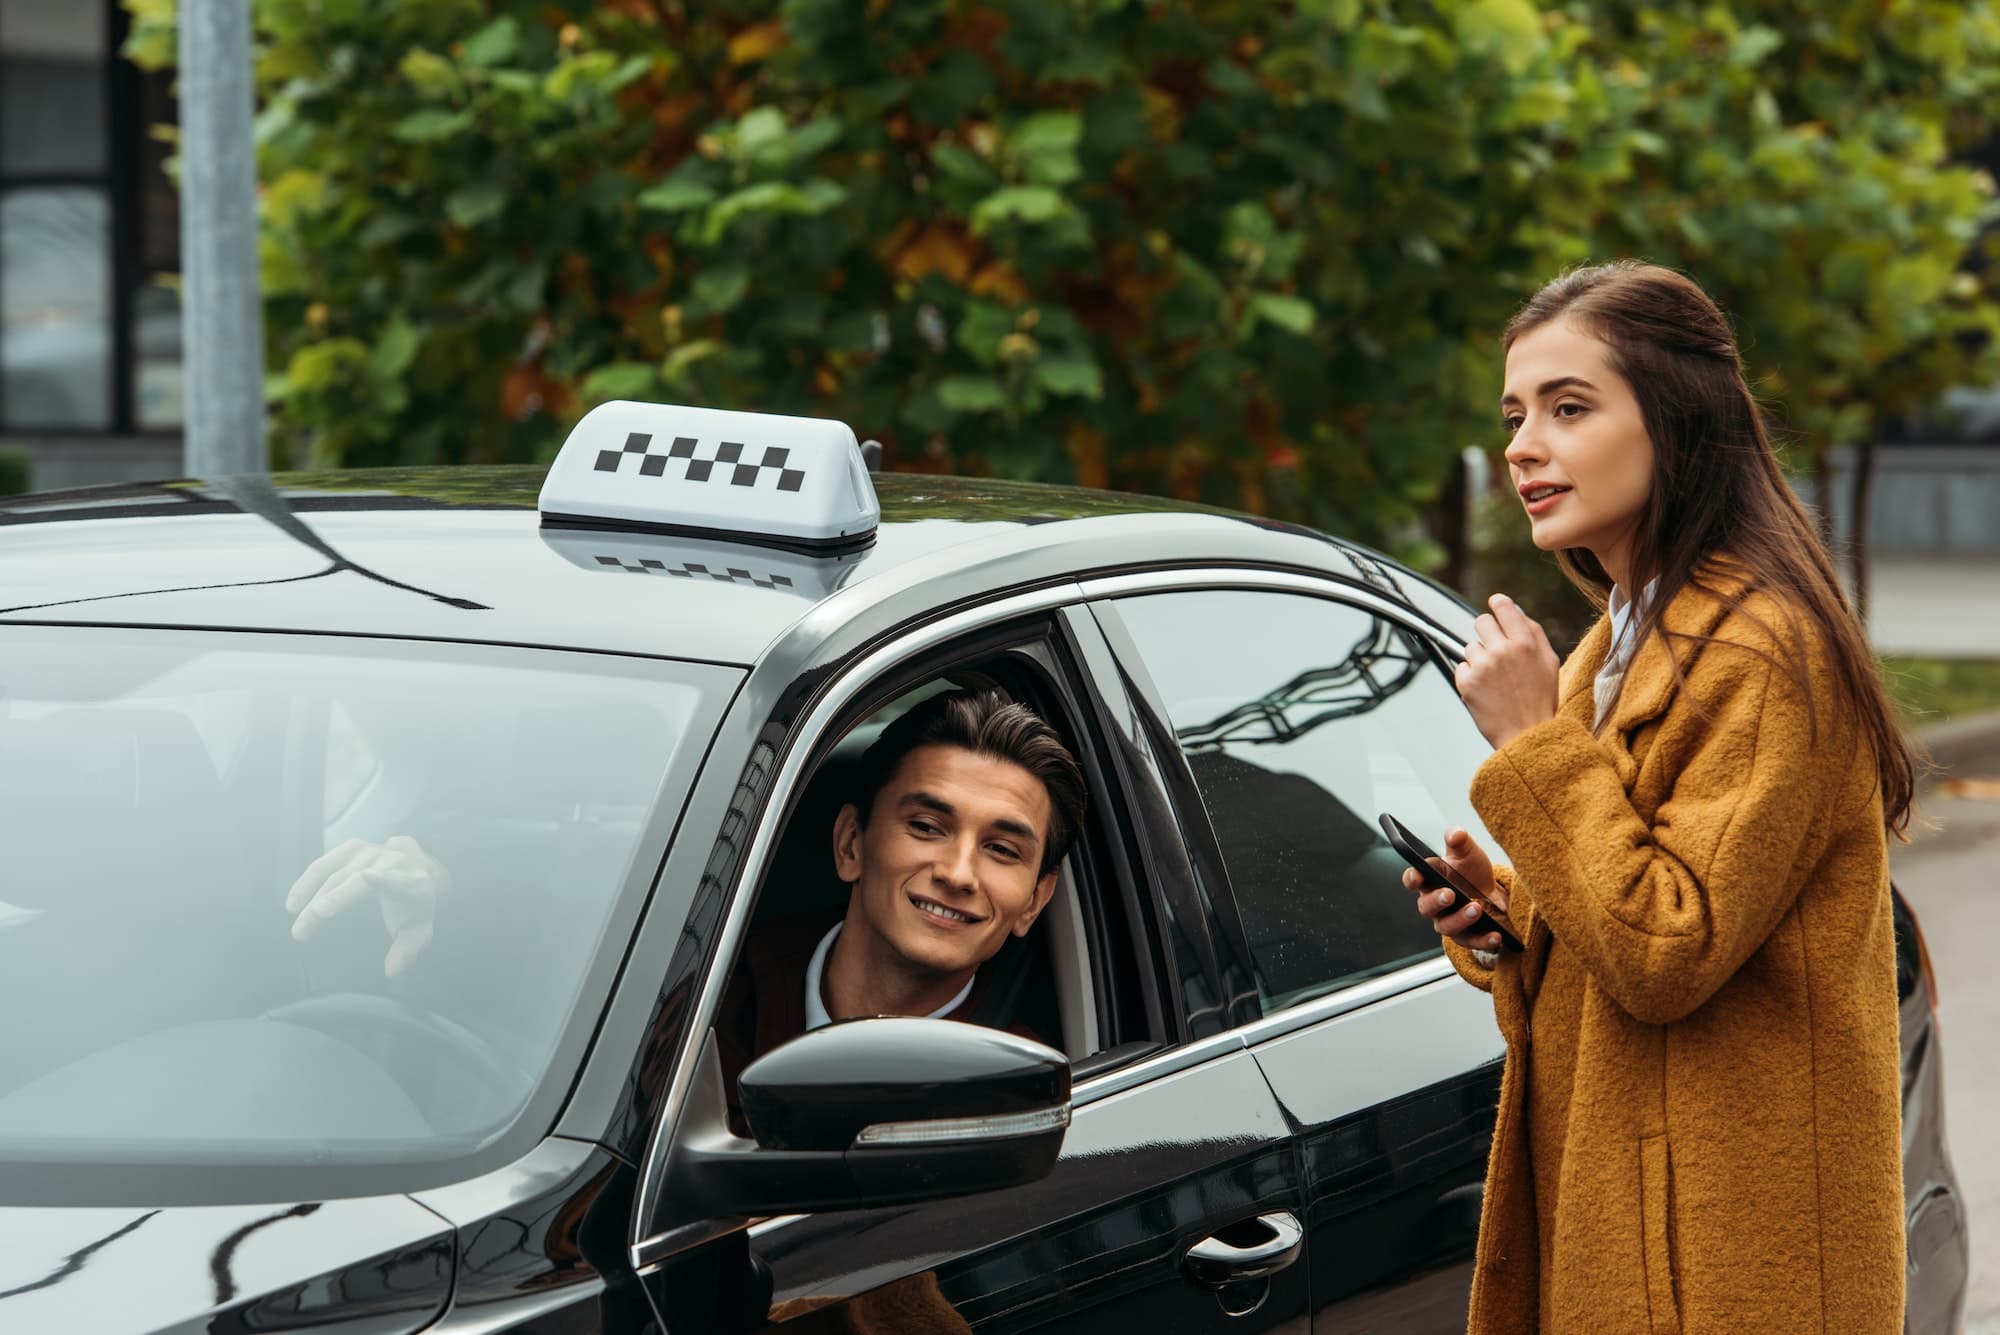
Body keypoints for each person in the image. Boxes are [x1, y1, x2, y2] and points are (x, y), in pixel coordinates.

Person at [1407, 262, 1915, 1333]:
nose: (1520, 446)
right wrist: (1503, 918)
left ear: (1676, 423)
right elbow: (1644, 893)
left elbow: (1663, 951)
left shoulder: (1762, 650)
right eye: (1512, 415)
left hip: (1727, 1267)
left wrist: (1534, 742)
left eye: (1568, 407)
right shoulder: (1619, 640)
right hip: (1644, 1228)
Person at [715, 687, 1085, 1131]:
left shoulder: (1024, 1099)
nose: (958, 874)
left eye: (1002, 850)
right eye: (927, 827)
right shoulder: (701, 1004)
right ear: (851, 843)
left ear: (1034, 901)